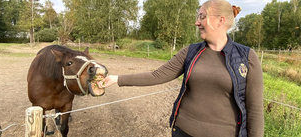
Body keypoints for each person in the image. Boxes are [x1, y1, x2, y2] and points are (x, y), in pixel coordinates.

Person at [97, 0, 264, 136]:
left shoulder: (246, 57)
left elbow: (255, 110)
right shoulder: (191, 52)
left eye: (202, 16)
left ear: (220, 20)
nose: (196, 22)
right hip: (183, 131)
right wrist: (117, 79)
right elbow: (157, 75)